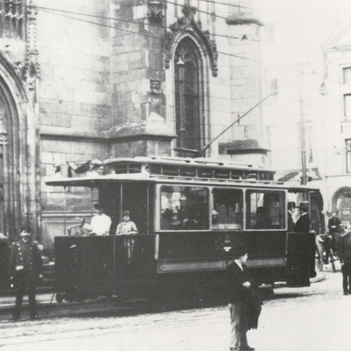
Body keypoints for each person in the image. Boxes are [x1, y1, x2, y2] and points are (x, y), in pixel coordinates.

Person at [226, 245, 262, 351]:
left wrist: (249, 283)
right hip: (236, 300)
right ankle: (233, 346)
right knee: (236, 323)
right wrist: (243, 284)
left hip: (244, 299)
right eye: (246, 256)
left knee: (243, 322)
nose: (247, 258)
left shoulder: (243, 267)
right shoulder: (231, 268)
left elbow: (252, 280)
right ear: (241, 256)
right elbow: (230, 284)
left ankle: (243, 345)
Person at [8, 227, 44, 320]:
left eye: (28, 233)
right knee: (19, 295)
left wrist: (40, 272)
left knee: (32, 295)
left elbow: (39, 260)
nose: (26, 235)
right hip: (20, 274)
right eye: (24, 232)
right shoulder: (16, 245)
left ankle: (33, 314)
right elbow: (12, 260)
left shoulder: (33, 245)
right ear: (21, 234)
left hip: (31, 273)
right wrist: (13, 271)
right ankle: (16, 315)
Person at [338, 229, 351, 295]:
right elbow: (340, 250)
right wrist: (342, 260)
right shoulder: (342, 238)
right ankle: (345, 290)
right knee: (345, 276)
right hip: (346, 260)